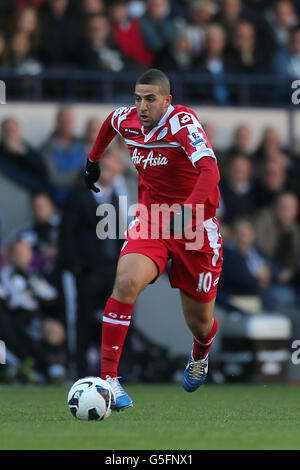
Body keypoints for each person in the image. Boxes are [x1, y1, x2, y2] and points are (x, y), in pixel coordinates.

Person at [84, 68, 222, 410]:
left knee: (200, 324)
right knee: (127, 280)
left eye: (150, 99)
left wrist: (188, 210)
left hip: (195, 229)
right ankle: (108, 380)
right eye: (138, 99)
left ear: (167, 101)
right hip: (152, 222)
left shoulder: (183, 124)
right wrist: (92, 160)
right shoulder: (127, 119)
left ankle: (200, 353)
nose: (142, 107)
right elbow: (109, 123)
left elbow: (210, 171)